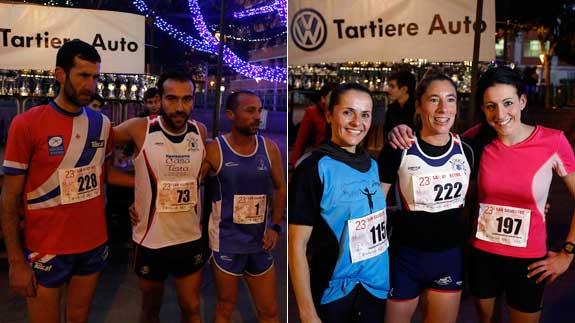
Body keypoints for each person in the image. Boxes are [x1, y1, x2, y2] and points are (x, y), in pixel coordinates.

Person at [0, 39, 121, 323]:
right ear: (60, 75)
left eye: (95, 77)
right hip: (46, 247)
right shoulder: (27, 123)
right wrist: (16, 262)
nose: (90, 85)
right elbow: (8, 198)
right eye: (82, 76)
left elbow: (107, 175)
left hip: (93, 244)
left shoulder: (102, 124)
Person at [467, 66, 575, 323]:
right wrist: (400, 132)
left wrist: (568, 253)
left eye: (508, 103)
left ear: (522, 101)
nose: (500, 114)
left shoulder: (553, 141)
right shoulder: (475, 140)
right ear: (483, 109)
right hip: (482, 256)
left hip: (528, 262)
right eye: (491, 106)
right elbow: (432, 147)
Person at [378, 72, 475, 323]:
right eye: (434, 99)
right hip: (404, 259)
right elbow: (376, 204)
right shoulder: (399, 148)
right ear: (418, 105)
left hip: (448, 258)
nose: (443, 108)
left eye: (450, 99)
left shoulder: (467, 151)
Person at [114, 70, 209, 323]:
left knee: (192, 307)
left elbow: (204, 171)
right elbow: (94, 145)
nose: (179, 107)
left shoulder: (200, 131)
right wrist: (138, 190)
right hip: (151, 239)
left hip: (189, 236)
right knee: (150, 310)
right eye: (171, 99)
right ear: (160, 98)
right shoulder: (140, 128)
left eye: (187, 99)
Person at [289, 83, 389, 323]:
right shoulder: (313, 168)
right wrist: (307, 312)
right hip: (334, 293)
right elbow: (296, 246)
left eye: (365, 114)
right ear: (329, 115)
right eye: (348, 112)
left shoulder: (373, 166)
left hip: (375, 288)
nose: (357, 122)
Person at [202, 91, 285, 323]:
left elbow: (281, 188)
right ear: (231, 114)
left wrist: (275, 226)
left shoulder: (269, 148)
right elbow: (190, 184)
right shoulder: (214, 149)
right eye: (250, 111)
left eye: (259, 110)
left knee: (270, 311)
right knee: (225, 307)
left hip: (259, 242)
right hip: (226, 242)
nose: (257, 116)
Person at [289, 84, 334, 168]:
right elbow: (301, 140)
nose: (335, 101)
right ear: (323, 99)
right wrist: (294, 163)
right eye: (332, 97)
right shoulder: (312, 112)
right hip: (319, 155)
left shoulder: (340, 112)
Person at [383, 70, 416, 136]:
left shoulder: (417, 107)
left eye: (392, 86)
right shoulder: (392, 108)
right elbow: (387, 132)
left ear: (404, 89)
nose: (388, 90)